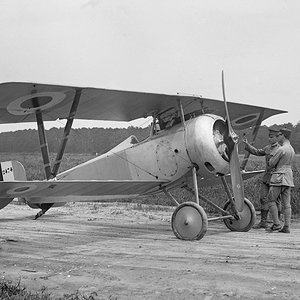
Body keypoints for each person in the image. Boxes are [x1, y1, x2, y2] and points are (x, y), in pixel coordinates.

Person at [242, 126, 281, 228]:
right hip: (266, 178)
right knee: (263, 198)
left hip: (276, 178)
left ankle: (277, 222)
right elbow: (257, 152)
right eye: (269, 137)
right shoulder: (267, 148)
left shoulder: (281, 150)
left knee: (275, 200)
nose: (270, 139)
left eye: (272, 137)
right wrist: (247, 145)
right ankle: (263, 222)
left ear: (277, 138)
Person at [266, 127, 295, 233]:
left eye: (278, 135)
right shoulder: (291, 149)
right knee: (287, 203)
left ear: (283, 135)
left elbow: (271, 163)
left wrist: (270, 159)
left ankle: (276, 224)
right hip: (288, 177)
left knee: (271, 200)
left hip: (278, 176)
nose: (277, 137)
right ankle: (287, 226)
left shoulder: (281, 149)